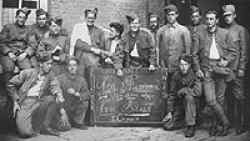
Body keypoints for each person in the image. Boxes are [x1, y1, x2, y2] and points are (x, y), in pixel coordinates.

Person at [192, 10, 236, 136]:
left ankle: (216, 126)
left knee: (220, 99)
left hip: (221, 69)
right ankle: (226, 123)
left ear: (216, 20)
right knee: (211, 100)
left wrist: (226, 60)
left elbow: (233, 52)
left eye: (212, 19)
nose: (209, 22)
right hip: (207, 69)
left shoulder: (225, 33)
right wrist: (197, 69)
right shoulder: (200, 34)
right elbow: (194, 54)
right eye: (207, 19)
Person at [6, 55, 65, 137]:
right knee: (25, 133)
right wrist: (15, 100)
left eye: (51, 64)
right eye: (48, 64)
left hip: (39, 101)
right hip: (25, 102)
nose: (50, 66)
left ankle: (45, 126)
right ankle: (32, 125)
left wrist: (59, 94)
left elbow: (55, 85)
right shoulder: (28, 72)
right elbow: (10, 84)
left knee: (52, 99)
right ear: (41, 64)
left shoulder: (50, 74)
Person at [222, 4, 249, 134]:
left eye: (229, 15)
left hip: (237, 69)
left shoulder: (241, 30)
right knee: (228, 97)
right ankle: (232, 121)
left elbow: (244, 51)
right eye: (225, 16)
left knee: (239, 97)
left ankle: (242, 124)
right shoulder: (222, 30)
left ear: (235, 15)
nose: (227, 18)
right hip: (225, 70)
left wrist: (242, 68)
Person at [164, 55, 202, 138]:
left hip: (194, 105)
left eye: (186, 65)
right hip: (181, 104)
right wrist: (169, 111)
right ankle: (184, 121)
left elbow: (198, 92)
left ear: (190, 65)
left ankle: (191, 125)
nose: (183, 67)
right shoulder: (176, 75)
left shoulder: (195, 74)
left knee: (189, 97)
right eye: (181, 65)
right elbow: (172, 94)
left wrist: (184, 90)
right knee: (167, 126)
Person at [157, 4, 191, 84]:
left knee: (176, 90)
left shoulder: (184, 30)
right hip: (165, 66)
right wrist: (159, 63)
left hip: (178, 67)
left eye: (172, 14)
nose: (170, 17)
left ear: (177, 15)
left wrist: (185, 66)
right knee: (164, 90)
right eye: (168, 15)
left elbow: (188, 50)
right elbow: (157, 48)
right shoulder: (161, 30)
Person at [0, 8, 34, 82]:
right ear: (16, 17)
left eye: (24, 18)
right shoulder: (8, 27)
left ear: (26, 19)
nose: (22, 19)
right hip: (8, 54)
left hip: (21, 54)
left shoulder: (29, 30)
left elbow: (32, 44)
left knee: (28, 69)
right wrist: (9, 53)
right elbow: (1, 42)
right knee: (9, 67)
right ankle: (10, 91)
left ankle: (22, 91)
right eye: (20, 17)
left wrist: (25, 54)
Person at [70, 8, 106, 77]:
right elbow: (77, 43)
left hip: (93, 60)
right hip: (80, 59)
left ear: (95, 18)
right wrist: (92, 49)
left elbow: (102, 47)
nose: (90, 20)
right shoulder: (79, 28)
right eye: (89, 18)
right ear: (85, 17)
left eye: (93, 18)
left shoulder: (99, 31)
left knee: (92, 79)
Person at [57, 57, 90, 130]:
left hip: (75, 106)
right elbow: (55, 92)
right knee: (64, 128)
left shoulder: (81, 79)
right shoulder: (60, 78)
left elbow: (87, 94)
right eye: (70, 65)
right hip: (63, 107)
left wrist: (76, 94)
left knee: (85, 102)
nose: (72, 68)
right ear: (66, 67)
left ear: (77, 67)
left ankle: (78, 122)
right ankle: (65, 121)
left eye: (74, 65)